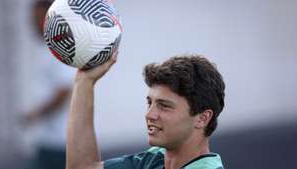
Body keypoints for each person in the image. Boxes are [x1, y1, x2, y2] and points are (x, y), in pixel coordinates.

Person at [66, 52, 225, 169]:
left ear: (202, 118)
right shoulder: (154, 158)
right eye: (150, 103)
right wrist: (84, 81)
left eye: (164, 106)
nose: (149, 114)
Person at [21, 1, 74, 169]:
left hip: (60, 142)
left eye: (38, 18)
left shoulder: (60, 48)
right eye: (32, 18)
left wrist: (35, 114)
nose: (33, 23)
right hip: (46, 140)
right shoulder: (45, 49)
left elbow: (63, 92)